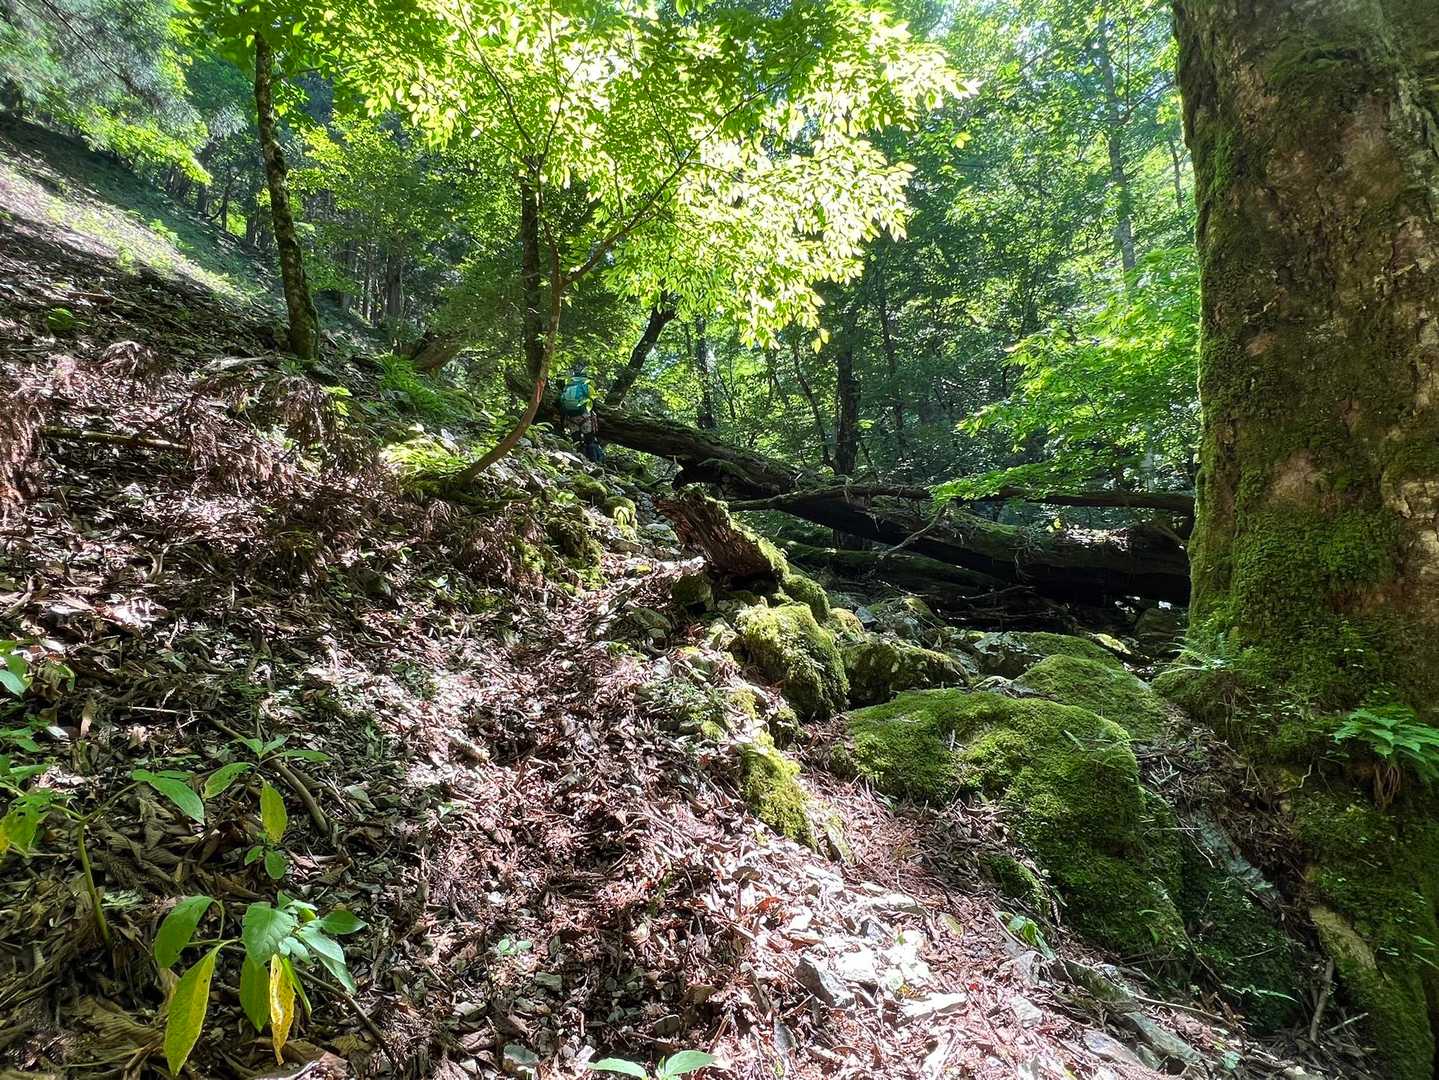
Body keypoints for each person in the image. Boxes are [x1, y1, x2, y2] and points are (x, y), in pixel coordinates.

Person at [557, 365, 604, 463]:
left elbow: (561, 401)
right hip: (584, 416)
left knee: (577, 441)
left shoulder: (568, 385)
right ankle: (594, 462)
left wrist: (562, 421)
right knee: (590, 440)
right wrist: (595, 414)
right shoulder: (587, 385)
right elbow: (592, 402)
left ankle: (579, 460)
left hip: (570, 416)